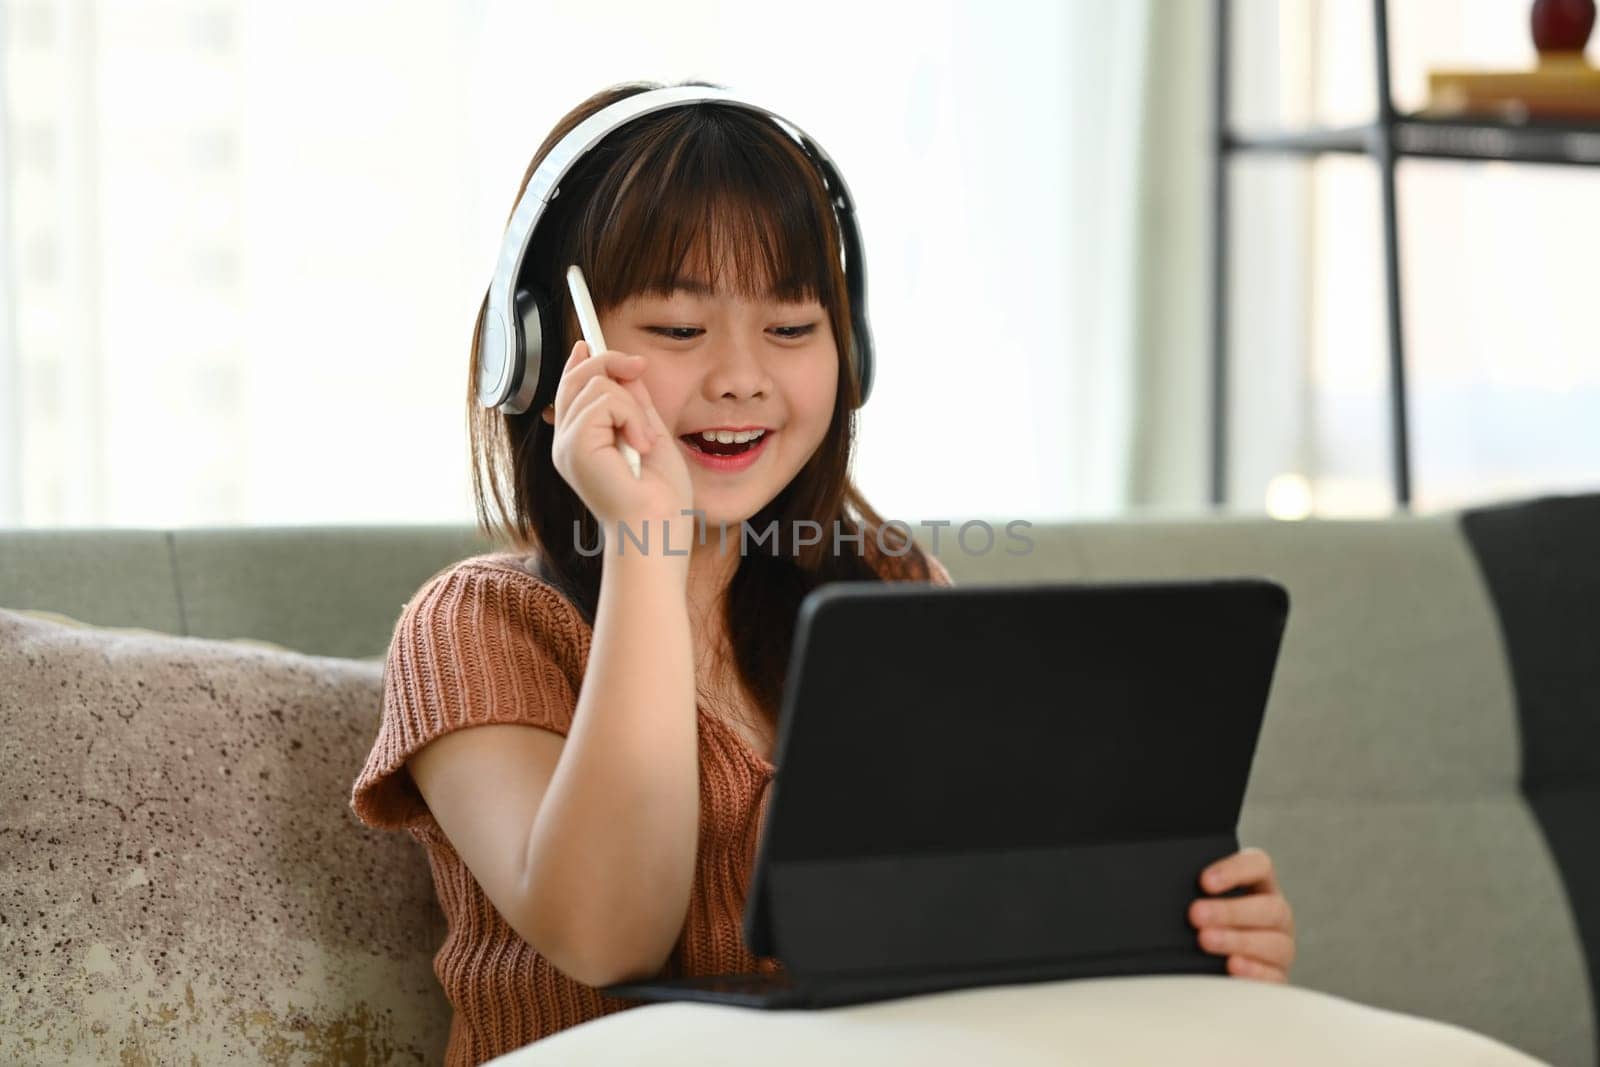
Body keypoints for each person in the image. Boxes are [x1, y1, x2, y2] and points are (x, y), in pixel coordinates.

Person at [350, 78, 1295, 1065]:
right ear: (548, 357)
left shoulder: (886, 592)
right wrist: (643, 545)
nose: (742, 376)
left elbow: (982, 926)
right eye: (679, 329)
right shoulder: (478, 627)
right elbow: (606, 934)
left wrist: (1185, 934)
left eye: (792, 329)